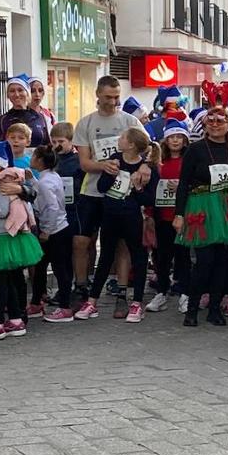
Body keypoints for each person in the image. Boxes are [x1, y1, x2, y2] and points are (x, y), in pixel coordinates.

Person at [71, 76, 146, 302]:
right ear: (97, 94)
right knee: (82, 240)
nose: (113, 102)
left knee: (121, 243)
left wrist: (143, 167)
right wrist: (104, 165)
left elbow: (148, 148)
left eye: (116, 97)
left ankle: (121, 289)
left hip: (121, 194)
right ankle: (82, 286)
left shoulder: (130, 121)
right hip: (93, 190)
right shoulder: (86, 123)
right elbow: (84, 162)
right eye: (108, 97)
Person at [177, 91, 228, 325]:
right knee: (204, 260)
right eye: (211, 120)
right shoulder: (195, 150)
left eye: (221, 121)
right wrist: (179, 213)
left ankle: (215, 308)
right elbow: (183, 183)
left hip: (227, 209)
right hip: (203, 208)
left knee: (223, 262)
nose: (215, 124)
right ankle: (192, 309)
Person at [76, 128, 158, 323]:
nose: (118, 140)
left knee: (138, 257)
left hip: (132, 218)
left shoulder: (147, 168)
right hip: (110, 215)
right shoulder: (114, 159)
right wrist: (109, 172)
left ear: (130, 144)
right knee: (105, 257)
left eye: (122, 138)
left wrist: (137, 187)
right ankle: (92, 301)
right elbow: (101, 187)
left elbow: (149, 199)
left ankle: (137, 303)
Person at [0, 141, 44, 344]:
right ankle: (15, 319)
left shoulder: (1, 183)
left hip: (1, 240)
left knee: (0, 283)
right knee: (8, 281)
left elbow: (2, 210)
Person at [145, 120, 193, 315]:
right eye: (171, 137)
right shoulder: (157, 163)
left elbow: (195, 184)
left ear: (185, 140)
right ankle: (162, 292)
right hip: (161, 217)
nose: (175, 140)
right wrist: (148, 214)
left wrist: (182, 186)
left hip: (183, 216)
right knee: (162, 257)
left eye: (179, 137)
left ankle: (185, 293)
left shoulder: (189, 161)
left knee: (183, 256)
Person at [28, 145, 73, 320]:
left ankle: (65, 307)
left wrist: (46, 230)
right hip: (58, 227)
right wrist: (32, 180)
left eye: (33, 156)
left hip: (55, 230)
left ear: (39, 160)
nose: (30, 159)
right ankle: (36, 302)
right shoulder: (51, 177)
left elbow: (52, 207)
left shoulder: (46, 182)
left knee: (59, 269)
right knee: (40, 267)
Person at [0, 74, 50, 145]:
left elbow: (47, 145)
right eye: (12, 91)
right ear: (8, 95)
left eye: (20, 90)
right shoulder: (1, 121)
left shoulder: (39, 117)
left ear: (27, 93)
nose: (17, 94)